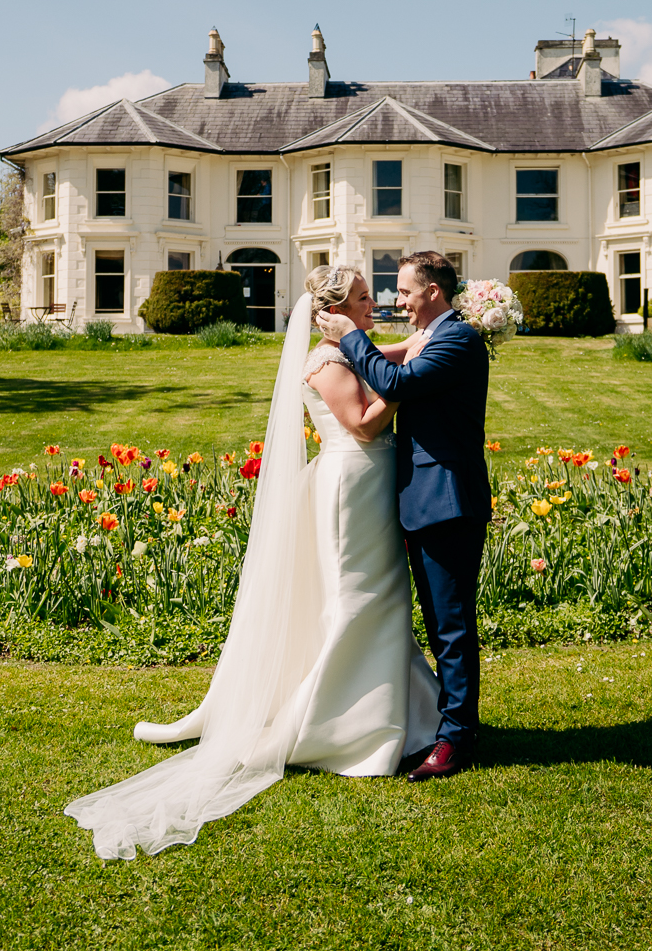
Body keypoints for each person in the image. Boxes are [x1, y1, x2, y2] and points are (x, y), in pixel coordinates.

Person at [64, 267, 440, 859]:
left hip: (371, 486)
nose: (379, 304)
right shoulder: (324, 361)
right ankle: (329, 727)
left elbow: (386, 350)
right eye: (367, 298)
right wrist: (403, 382)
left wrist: (419, 346)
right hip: (354, 482)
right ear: (336, 309)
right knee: (358, 598)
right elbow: (365, 426)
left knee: (383, 598)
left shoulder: (348, 346)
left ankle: (404, 710)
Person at [317, 251, 491, 782]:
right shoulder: (434, 336)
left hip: (447, 500)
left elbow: (394, 385)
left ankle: (456, 739)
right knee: (441, 623)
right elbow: (394, 369)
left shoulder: (457, 339)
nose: (398, 301)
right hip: (422, 499)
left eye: (406, 291)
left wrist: (350, 336)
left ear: (433, 292)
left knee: (452, 625)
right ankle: (445, 723)